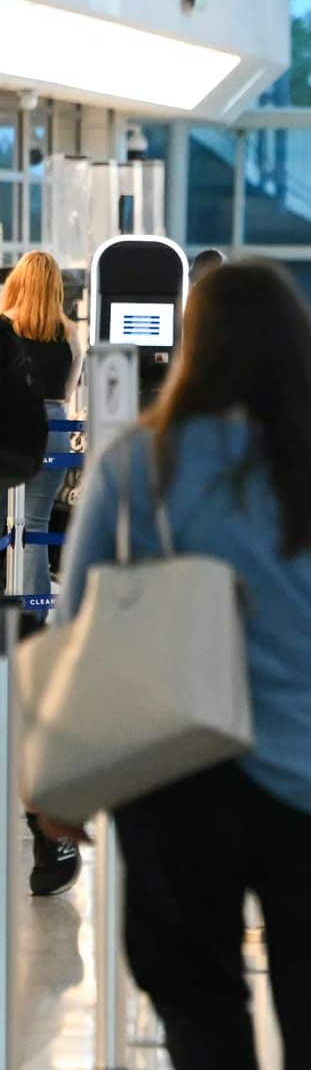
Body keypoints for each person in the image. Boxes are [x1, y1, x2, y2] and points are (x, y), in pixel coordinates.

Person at [38, 261, 311, 1069]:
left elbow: (77, 619)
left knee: (201, 1020)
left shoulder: (137, 465)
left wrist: (62, 781)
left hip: (178, 778)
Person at [2, 251, 78, 897]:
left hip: (18, 429)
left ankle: (21, 602)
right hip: (58, 425)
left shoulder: (7, 326)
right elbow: (71, 391)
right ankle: (35, 603)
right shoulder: (65, 335)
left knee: (19, 520)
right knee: (39, 516)